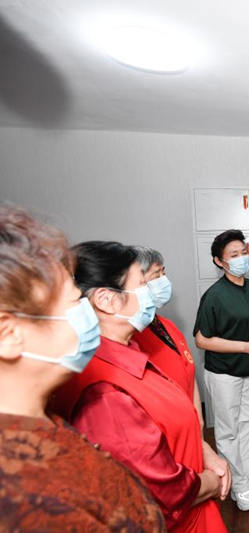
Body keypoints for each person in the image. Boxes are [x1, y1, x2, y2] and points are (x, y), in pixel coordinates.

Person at [0, 207, 165, 532]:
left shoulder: (43, 427)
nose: (89, 313)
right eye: (76, 301)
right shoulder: (28, 501)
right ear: (9, 335)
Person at [52, 241, 227, 532]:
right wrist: (212, 478)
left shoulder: (128, 352)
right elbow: (164, 496)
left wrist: (204, 450)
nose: (151, 292)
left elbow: (172, 426)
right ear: (107, 300)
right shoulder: (103, 396)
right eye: (143, 284)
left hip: (198, 512)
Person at [132, 247, 231, 484]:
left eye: (163, 272)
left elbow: (188, 372)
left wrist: (199, 428)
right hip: (166, 447)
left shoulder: (167, 326)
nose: (164, 281)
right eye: (156, 275)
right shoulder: (132, 337)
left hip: (191, 436)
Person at [193, 229, 249, 512]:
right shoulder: (214, 296)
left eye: (244, 252)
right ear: (220, 261)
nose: (241, 258)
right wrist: (246, 347)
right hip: (224, 372)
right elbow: (202, 339)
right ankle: (238, 483)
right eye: (233, 255)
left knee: (247, 423)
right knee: (227, 431)